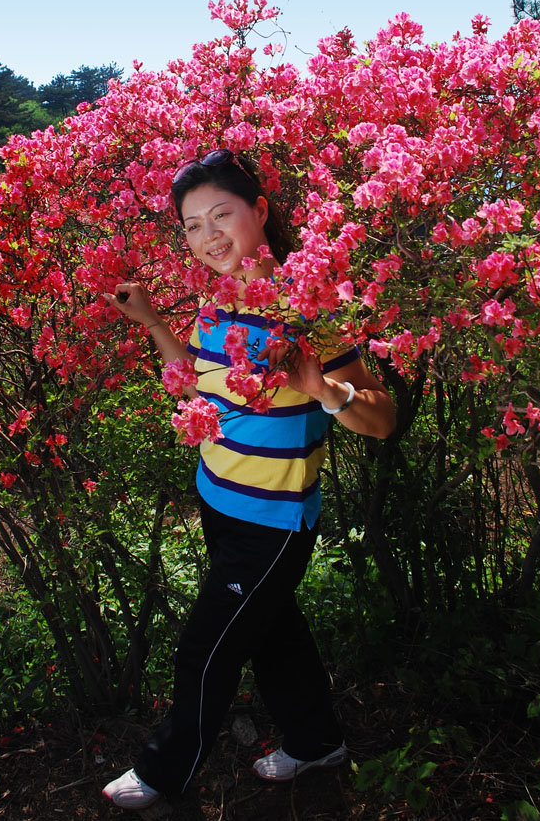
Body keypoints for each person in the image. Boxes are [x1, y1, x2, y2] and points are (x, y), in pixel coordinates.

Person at [101, 149, 396, 811]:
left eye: (221, 216)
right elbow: (195, 395)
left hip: (273, 522)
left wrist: (322, 388)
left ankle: (163, 770)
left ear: (259, 211)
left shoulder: (312, 305)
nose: (208, 237)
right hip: (220, 501)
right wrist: (153, 324)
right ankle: (318, 742)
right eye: (193, 226)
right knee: (271, 631)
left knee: (206, 649)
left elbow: (381, 420)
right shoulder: (218, 302)